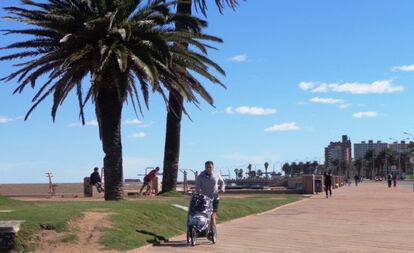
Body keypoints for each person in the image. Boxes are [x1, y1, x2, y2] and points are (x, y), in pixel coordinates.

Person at [195, 161, 225, 228]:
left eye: (210, 167)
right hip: (204, 199)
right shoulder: (200, 176)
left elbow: (222, 183)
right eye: (207, 167)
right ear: (205, 167)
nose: (208, 168)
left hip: (215, 198)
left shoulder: (216, 175)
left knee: (212, 216)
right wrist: (197, 194)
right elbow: (197, 187)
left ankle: (213, 231)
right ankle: (204, 229)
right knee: (204, 215)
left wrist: (222, 189)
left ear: (213, 167)